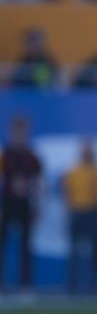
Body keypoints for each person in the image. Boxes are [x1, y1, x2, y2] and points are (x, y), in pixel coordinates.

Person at [0, 116, 42, 292]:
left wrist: (35, 202)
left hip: (25, 204)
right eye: (17, 131)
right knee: (3, 244)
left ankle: (25, 286)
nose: (20, 135)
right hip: (7, 204)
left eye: (22, 131)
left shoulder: (31, 157)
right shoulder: (5, 155)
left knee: (26, 246)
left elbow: (39, 182)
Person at [63, 139, 97, 293]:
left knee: (95, 252)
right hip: (77, 212)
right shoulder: (74, 171)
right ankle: (72, 286)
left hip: (92, 212)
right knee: (74, 251)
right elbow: (67, 191)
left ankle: (93, 285)